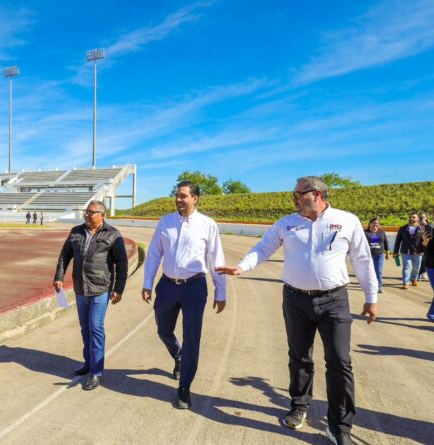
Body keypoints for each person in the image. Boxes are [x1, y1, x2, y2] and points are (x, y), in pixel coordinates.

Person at [216, 176, 378, 445]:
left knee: (340, 361)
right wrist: (242, 267)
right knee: (300, 357)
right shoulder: (286, 223)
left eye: (298, 193)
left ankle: (339, 425)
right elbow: (263, 248)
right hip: (295, 299)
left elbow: (362, 259)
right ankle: (299, 406)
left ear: (316, 194)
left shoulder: (347, 220)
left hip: (334, 300)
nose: (293, 198)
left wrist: (371, 298)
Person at [141, 181, 227, 409]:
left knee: (192, 338)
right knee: (163, 330)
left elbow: (216, 259)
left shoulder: (207, 225)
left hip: (194, 287)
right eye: (177, 196)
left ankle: (184, 388)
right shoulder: (165, 222)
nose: (178, 199)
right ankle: (177, 355)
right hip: (168, 286)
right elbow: (153, 255)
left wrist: (221, 291)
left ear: (195, 198)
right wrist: (147, 283)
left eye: (183, 196)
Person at [53, 200, 128, 390]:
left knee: (95, 327)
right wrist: (59, 276)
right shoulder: (76, 231)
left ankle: (95, 372)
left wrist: (118, 289)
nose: (87, 215)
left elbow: (122, 263)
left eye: (91, 212)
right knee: (85, 328)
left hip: (100, 289)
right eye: (86, 211)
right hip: (80, 288)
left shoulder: (112, 234)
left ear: (102, 215)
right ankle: (88, 362)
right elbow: (64, 255)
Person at [392, 212, 424, 289]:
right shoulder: (402, 228)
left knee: (417, 267)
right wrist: (395, 252)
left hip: (418, 252)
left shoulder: (422, 228)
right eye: (410, 217)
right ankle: (405, 282)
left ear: (418, 219)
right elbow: (398, 241)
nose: (412, 218)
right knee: (406, 267)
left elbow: (425, 240)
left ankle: (414, 279)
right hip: (406, 251)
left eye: (414, 217)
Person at [364, 218, 389, 293]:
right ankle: (369, 285)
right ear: (370, 224)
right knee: (368, 271)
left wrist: (387, 252)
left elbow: (386, 242)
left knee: (378, 271)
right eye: (374, 223)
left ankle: (379, 286)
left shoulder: (381, 232)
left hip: (379, 254)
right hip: (368, 255)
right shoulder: (364, 232)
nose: (376, 224)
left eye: (377, 223)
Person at [421, 223, 434, 321]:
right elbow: (423, 245)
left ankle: (431, 313)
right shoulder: (430, 228)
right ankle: (431, 314)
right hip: (431, 264)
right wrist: (425, 241)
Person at [418, 212, 430, 281]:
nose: (422, 219)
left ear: (426, 218)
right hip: (418, 246)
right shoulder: (416, 225)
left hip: (428, 245)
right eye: (420, 217)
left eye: (423, 217)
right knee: (420, 260)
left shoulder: (429, 225)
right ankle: (419, 274)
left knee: (424, 259)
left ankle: (423, 273)